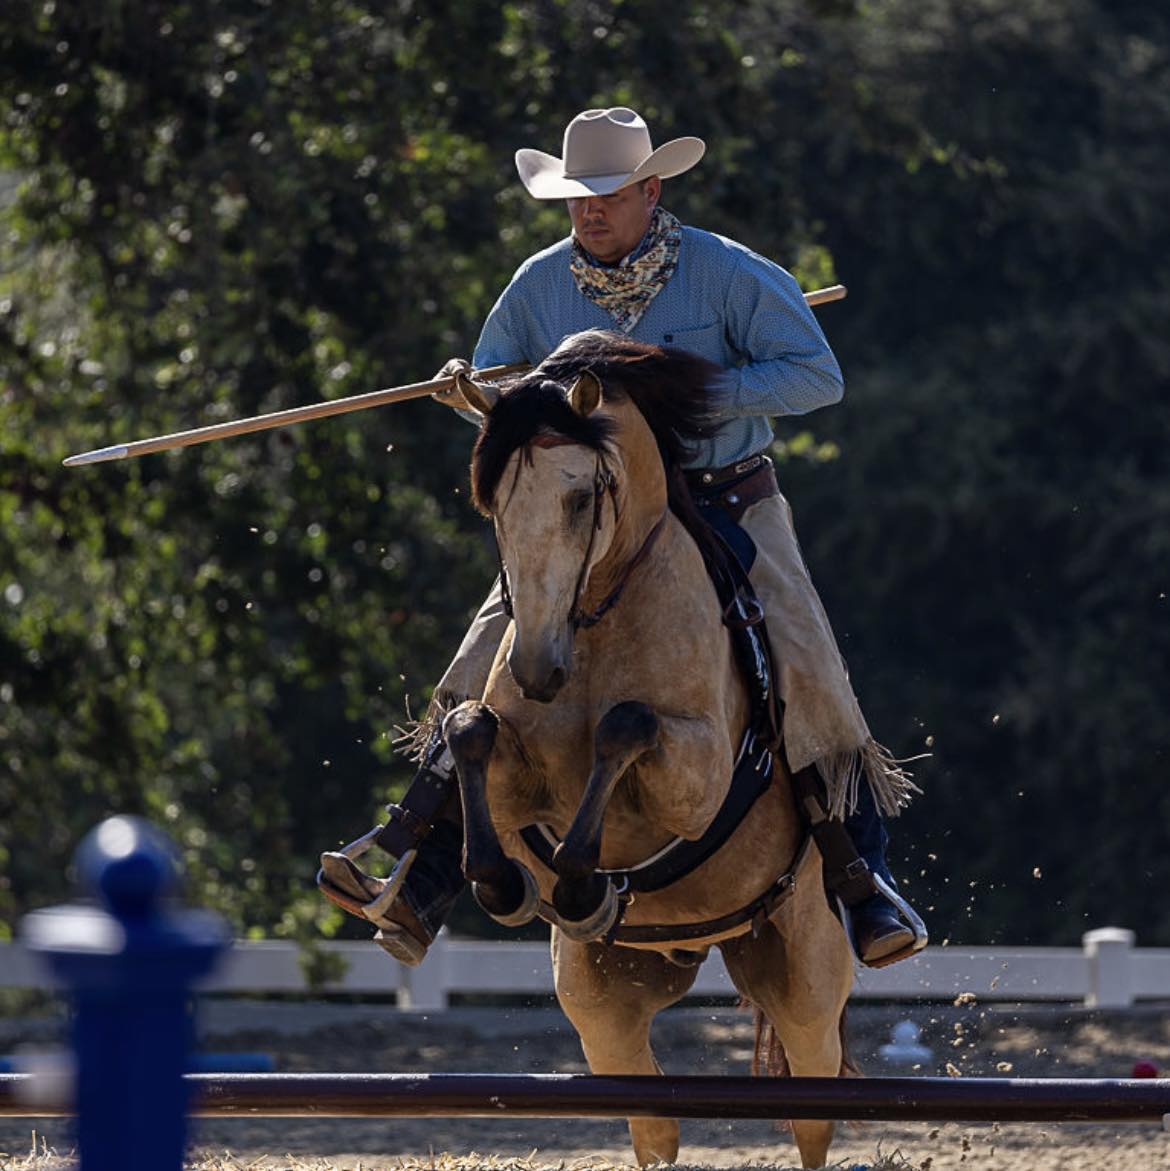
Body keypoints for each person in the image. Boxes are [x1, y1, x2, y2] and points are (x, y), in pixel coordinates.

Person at [318, 107, 927, 968]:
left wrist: (690, 393)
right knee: (480, 654)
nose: (588, 212)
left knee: (807, 656)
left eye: (606, 195)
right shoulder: (535, 285)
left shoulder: (726, 273)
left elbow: (816, 377)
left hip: (724, 500)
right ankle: (423, 871)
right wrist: (475, 397)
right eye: (577, 198)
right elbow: (506, 397)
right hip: (588, 516)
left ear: (651, 189)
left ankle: (860, 879)